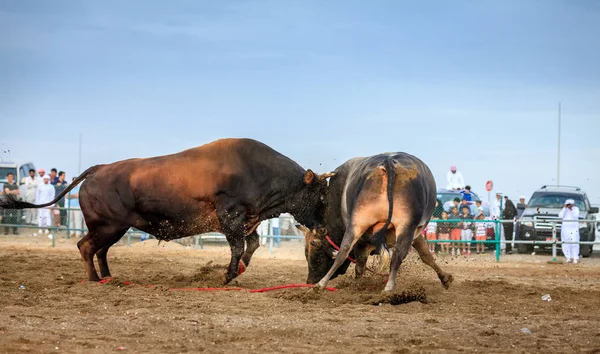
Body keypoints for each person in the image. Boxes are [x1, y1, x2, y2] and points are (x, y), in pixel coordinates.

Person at [559, 199, 580, 264]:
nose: (569, 205)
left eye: (570, 204)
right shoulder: (564, 209)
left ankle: (575, 258)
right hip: (565, 229)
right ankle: (568, 257)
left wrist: (571, 209)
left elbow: (576, 215)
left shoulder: (576, 209)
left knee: (574, 242)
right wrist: (565, 208)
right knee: (566, 242)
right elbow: (560, 216)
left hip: (574, 228)